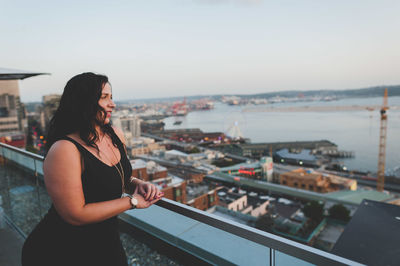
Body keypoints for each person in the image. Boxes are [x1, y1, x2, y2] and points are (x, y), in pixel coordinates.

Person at [21, 72, 163, 266]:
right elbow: (75, 214)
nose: (112, 104)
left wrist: (138, 184)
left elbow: (114, 177)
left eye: (111, 97)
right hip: (60, 251)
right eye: (104, 97)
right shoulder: (65, 149)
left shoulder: (116, 135)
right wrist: (133, 202)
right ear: (83, 101)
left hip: (106, 243)